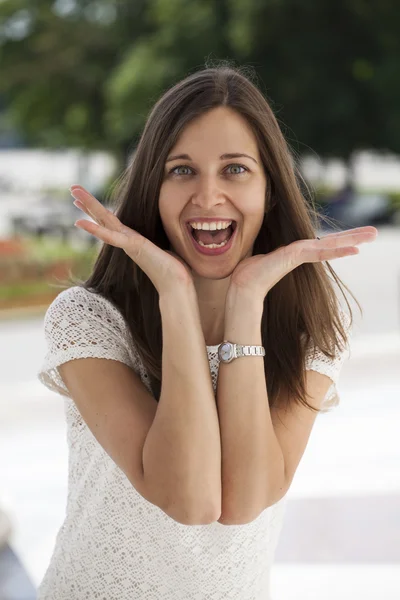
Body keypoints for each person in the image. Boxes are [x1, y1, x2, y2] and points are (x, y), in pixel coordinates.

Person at [37, 63, 378, 599]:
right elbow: (190, 500)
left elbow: (241, 503)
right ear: (154, 185)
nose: (209, 196)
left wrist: (246, 304)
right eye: (182, 170)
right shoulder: (88, 319)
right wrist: (174, 294)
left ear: (270, 188)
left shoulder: (308, 330)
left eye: (235, 170)